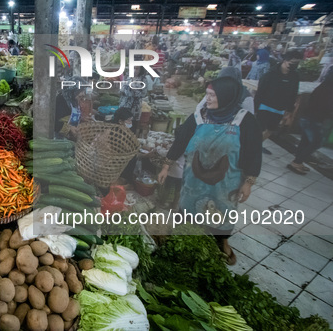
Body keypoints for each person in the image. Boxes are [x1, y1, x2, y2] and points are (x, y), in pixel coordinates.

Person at [158, 77, 262, 265]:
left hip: (226, 182)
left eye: (212, 95)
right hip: (194, 181)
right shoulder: (199, 117)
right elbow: (181, 141)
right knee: (188, 209)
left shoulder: (244, 121)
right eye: (207, 94)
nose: (208, 99)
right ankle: (181, 237)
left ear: (226, 96)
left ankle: (221, 242)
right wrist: (167, 165)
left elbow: (254, 152)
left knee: (222, 213)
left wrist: (248, 182)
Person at [287, 71, 333, 174]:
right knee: (316, 142)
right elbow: (327, 107)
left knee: (305, 141)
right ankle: (296, 162)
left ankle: (297, 161)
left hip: (307, 118)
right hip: (314, 120)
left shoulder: (323, 86)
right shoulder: (329, 90)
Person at [254, 50, 302, 145]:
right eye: (292, 63)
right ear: (284, 60)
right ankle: (251, 147)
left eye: (297, 63)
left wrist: (289, 109)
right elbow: (260, 92)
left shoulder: (295, 76)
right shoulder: (270, 74)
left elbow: (293, 93)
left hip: (279, 109)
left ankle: (256, 146)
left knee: (271, 130)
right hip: (264, 107)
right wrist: (255, 108)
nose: (294, 65)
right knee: (258, 130)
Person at [119, 66, 152, 134]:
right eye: (133, 68)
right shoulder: (127, 77)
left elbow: (143, 94)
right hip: (124, 105)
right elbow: (121, 89)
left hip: (135, 108)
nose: (134, 70)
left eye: (137, 69)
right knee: (122, 127)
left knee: (132, 128)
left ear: (141, 70)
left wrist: (133, 89)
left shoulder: (143, 79)